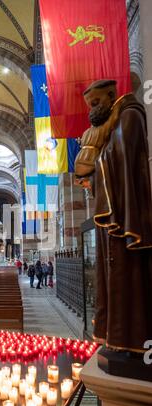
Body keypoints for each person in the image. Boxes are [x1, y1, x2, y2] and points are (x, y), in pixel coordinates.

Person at [76, 79, 152, 352]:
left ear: (111, 96)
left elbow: (121, 160)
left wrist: (93, 158)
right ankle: (116, 335)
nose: (91, 110)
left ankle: (133, 338)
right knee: (111, 278)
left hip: (124, 214)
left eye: (95, 103)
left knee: (127, 276)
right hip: (111, 215)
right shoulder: (112, 125)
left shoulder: (130, 116)